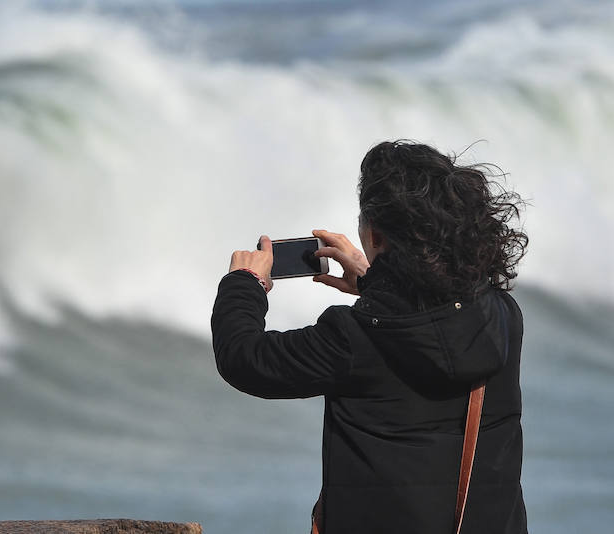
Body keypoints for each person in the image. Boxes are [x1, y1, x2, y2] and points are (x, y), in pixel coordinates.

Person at [211, 140, 529, 533]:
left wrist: (245, 283)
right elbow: (431, 319)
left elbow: (244, 358)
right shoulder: (501, 316)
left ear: (376, 235)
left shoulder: (354, 338)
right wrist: (374, 281)